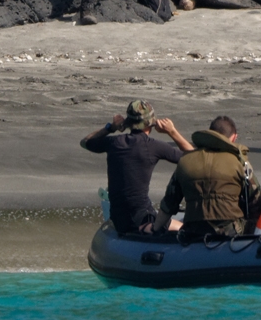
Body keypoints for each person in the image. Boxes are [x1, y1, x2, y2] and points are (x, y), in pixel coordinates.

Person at [81, 100, 194, 234]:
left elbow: (85, 142)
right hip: (142, 219)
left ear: (128, 123)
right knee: (185, 228)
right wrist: (172, 132)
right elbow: (195, 158)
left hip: (119, 219)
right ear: (151, 123)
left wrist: (111, 127)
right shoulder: (154, 146)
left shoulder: (114, 142)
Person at [156, 115, 260, 240]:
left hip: (194, 231)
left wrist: (154, 230)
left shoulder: (185, 161)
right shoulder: (240, 163)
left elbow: (168, 204)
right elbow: (256, 199)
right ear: (234, 138)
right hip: (231, 232)